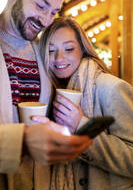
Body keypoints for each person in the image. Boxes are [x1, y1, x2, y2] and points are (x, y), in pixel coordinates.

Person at [0, 0, 92, 190]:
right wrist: (20, 141)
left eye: (54, 11)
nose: (45, 20)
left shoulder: (46, 52)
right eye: (41, 6)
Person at [39, 16, 133, 190]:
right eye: (51, 51)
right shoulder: (50, 92)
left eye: (68, 49)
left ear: (82, 49)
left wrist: (82, 127)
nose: (59, 58)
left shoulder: (110, 87)